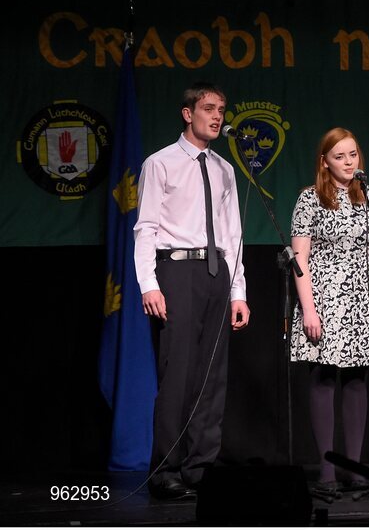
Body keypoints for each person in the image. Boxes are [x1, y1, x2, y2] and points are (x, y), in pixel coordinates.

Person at [134, 82, 250, 500]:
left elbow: (233, 232)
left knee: (211, 377)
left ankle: (201, 467)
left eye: (221, 109)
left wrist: (238, 291)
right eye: (208, 108)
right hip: (177, 272)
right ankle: (166, 468)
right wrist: (149, 283)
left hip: (217, 272)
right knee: (178, 374)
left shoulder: (224, 168)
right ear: (188, 113)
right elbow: (145, 227)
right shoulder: (160, 163)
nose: (217, 116)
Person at [289, 128, 369, 500]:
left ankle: (354, 468)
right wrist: (308, 309)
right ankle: (327, 470)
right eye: (340, 157)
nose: (349, 163)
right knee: (323, 378)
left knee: (356, 381)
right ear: (325, 162)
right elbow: (299, 259)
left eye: (353, 155)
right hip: (324, 297)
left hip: (363, 297)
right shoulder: (310, 199)